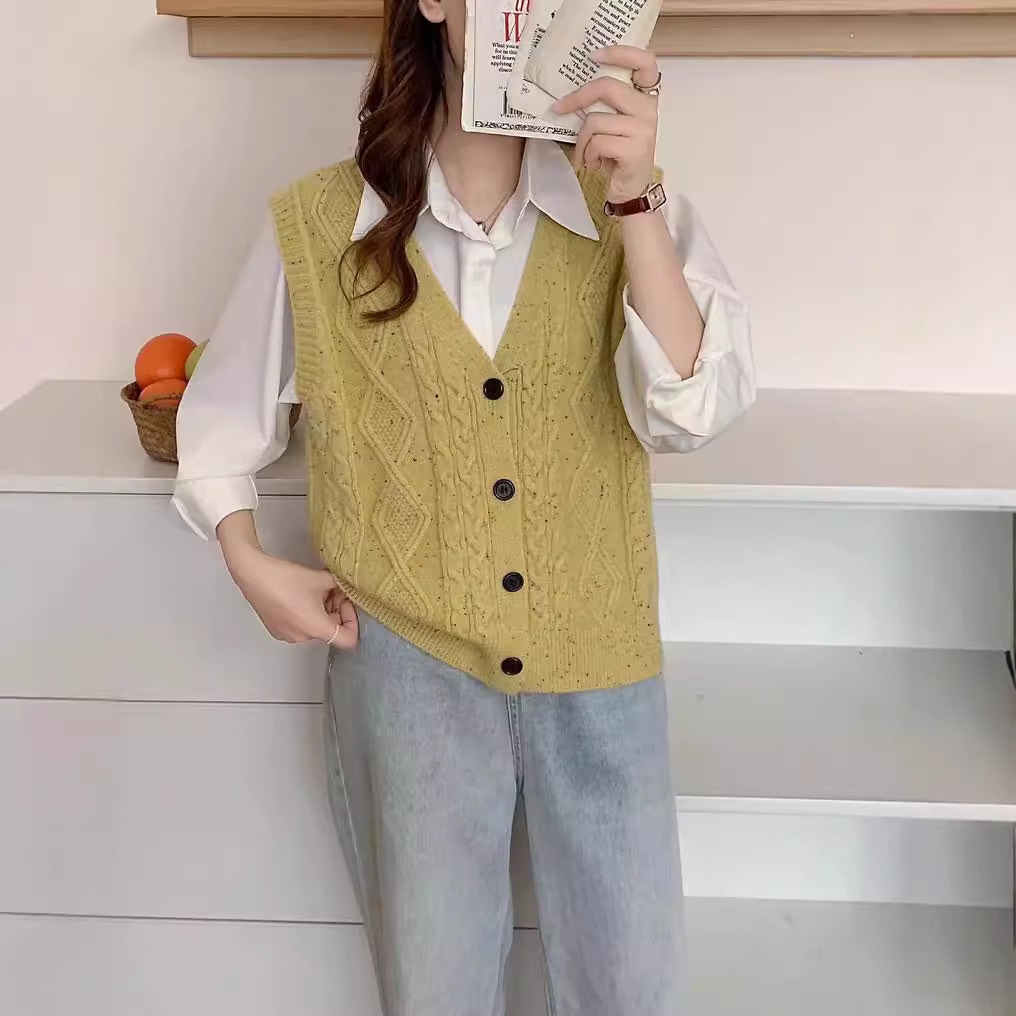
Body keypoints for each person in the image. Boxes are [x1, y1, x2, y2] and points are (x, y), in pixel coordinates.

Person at [173, 0, 754, 1010]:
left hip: (600, 659)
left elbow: (692, 409)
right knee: (432, 985)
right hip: (408, 674)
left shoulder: (627, 207)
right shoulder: (319, 223)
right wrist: (247, 559)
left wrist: (636, 203)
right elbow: (220, 423)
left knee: (632, 984)